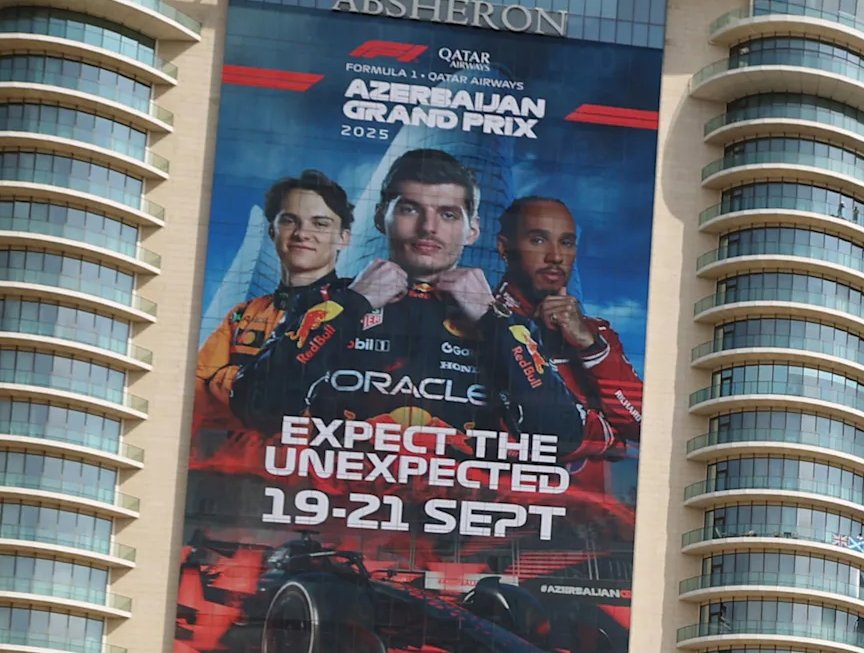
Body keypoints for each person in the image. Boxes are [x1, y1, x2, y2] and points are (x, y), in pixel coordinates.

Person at [230, 148, 586, 466]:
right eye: (410, 209)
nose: (427, 228)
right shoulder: (326, 302)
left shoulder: (507, 321)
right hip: (335, 511)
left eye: (448, 215)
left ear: (472, 230)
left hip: (454, 524)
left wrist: (493, 322)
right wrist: (354, 305)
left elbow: (562, 436)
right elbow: (256, 408)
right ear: (380, 217)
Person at [192, 170, 356, 472]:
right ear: (272, 231)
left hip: (324, 488)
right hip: (235, 485)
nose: (302, 233)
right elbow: (196, 409)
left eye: (320, 223)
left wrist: (233, 382)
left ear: (343, 238)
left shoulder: (360, 311)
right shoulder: (242, 315)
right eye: (289, 220)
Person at [492, 195, 643, 457]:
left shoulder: (597, 335)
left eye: (566, 242)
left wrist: (589, 346)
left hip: (588, 497)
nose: (555, 256)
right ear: (504, 248)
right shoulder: (476, 322)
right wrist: (608, 437)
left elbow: (643, 426)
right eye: (538, 240)